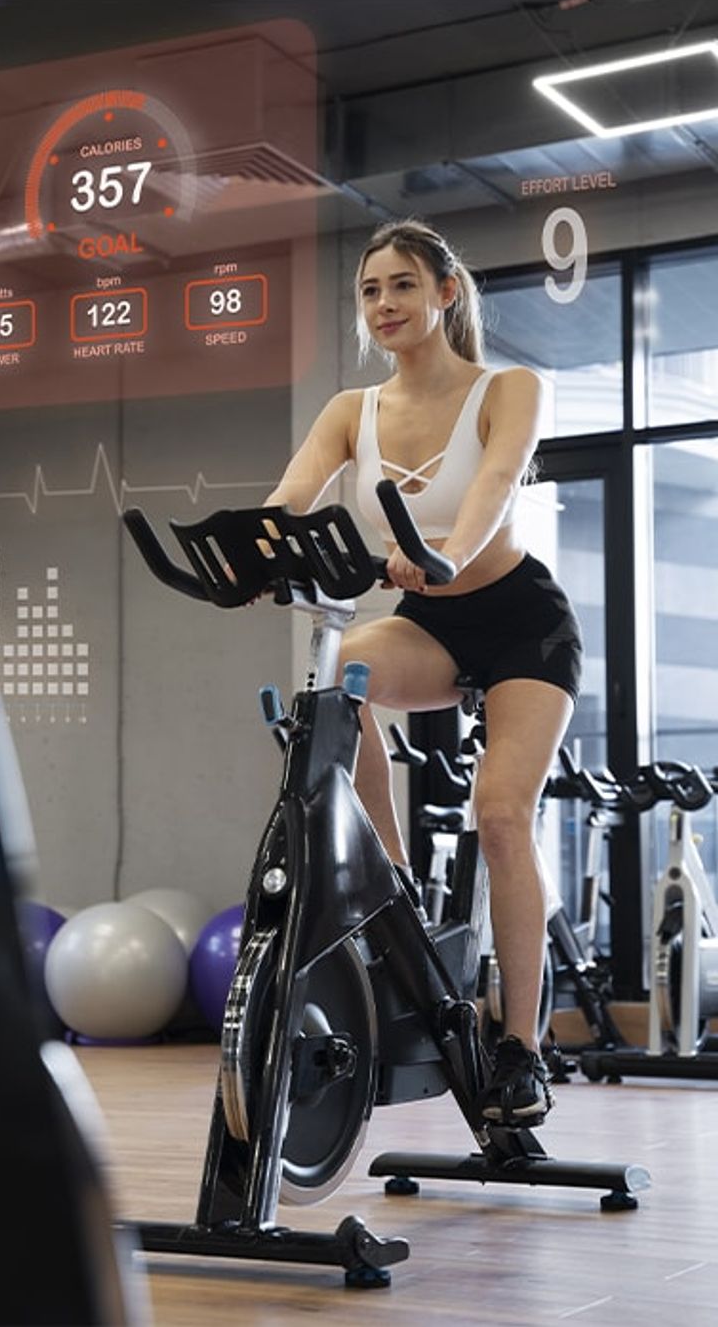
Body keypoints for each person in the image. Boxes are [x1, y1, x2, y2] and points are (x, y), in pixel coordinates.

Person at [264, 218, 583, 1125]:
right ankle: (392, 883)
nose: (385, 304)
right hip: (429, 621)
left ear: (446, 292)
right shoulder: (348, 411)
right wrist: (254, 555)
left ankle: (522, 1045)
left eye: (402, 285)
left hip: (522, 623)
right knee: (337, 675)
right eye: (370, 291)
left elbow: (494, 486)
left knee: (500, 811)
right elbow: (285, 506)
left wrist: (443, 550)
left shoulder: (508, 386)